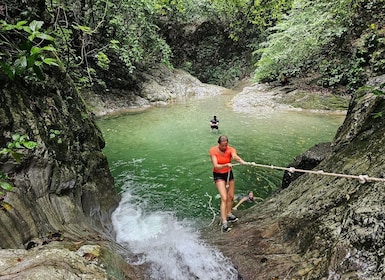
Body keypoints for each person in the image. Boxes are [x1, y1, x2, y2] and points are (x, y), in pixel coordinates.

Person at [209, 135, 246, 232]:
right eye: (222, 145)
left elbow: (234, 156)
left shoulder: (230, 149)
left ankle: (229, 214)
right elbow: (216, 166)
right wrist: (226, 164)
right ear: (219, 144)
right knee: (224, 198)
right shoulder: (213, 151)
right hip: (218, 175)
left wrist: (242, 161)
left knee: (231, 196)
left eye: (226, 145)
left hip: (229, 173)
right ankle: (224, 222)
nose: (224, 147)